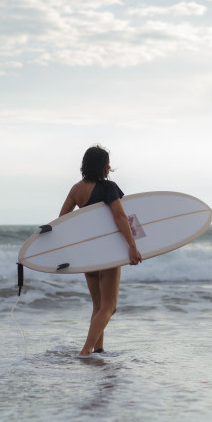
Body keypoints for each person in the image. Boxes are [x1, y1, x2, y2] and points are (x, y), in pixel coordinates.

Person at [59, 145, 142, 357]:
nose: (109, 167)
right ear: (102, 166)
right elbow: (120, 217)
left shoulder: (76, 190)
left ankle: (98, 350)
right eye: (107, 163)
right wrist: (132, 246)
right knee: (109, 307)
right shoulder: (109, 188)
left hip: (88, 255)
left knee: (98, 306)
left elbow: (62, 220)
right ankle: (86, 350)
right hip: (107, 254)